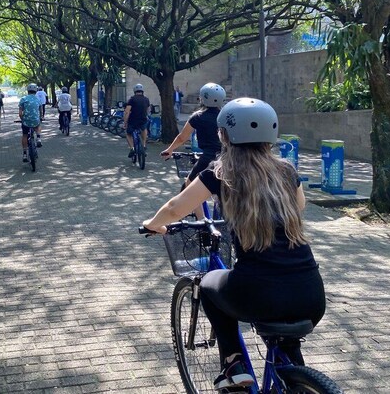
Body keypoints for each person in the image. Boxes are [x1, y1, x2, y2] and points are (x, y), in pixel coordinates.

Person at [143, 98, 326, 391]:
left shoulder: (219, 173)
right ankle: (299, 380)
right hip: (311, 295)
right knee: (286, 349)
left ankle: (233, 363)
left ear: (224, 136)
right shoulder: (287, 171)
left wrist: (153, 225)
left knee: (206, 285)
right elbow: (299, 205)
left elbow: (176, 208)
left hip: (257, 293)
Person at [161, 82, 226, 188]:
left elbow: (182, 137)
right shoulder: (226, 115)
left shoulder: (198, 117)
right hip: (228, 158)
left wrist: (169, 150)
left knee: (188, 186)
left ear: (202, 99)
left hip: (209, 157)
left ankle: (197, 205)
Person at [123, 84, 151, 158]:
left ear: (134, 91)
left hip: (133, 120)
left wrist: (125, 122)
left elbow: (127, 112)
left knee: (128, 134)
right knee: (144, 129)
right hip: (143, 119)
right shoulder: (146, 99)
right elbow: (148, 110)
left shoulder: (132, 99)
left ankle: (132, 148)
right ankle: (144, 145)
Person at [19, 83, 42, 162]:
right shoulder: (38, 99)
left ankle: (25, 154)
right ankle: (38, 138)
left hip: (26, 121)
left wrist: (22, 119)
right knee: (38, 125)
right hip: (35, 120)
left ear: (28, 90)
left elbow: (20, 113)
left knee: (25, 135)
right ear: (35, 91)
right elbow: (40, 110)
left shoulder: (23, 99)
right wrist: (41, 117)